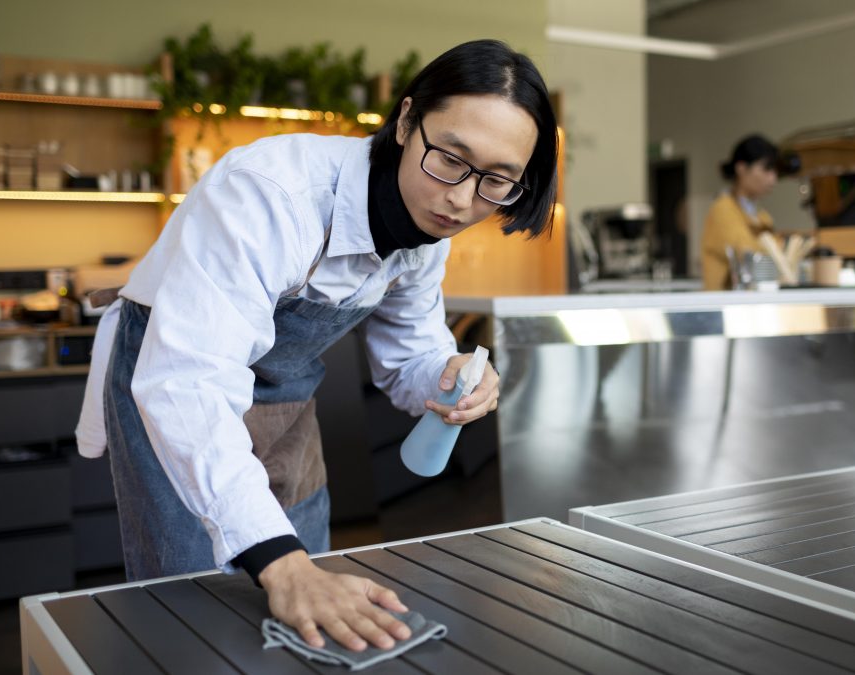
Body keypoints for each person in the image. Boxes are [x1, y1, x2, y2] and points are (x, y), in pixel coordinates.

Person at [74, 39, 558, 652]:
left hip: (288, 403)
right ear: (407, 121)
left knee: (301, 618)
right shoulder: (272, 195)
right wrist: (281, 563)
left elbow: (409, 360)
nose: (462, 199)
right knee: (191, 615)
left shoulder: (428, 233)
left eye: (497, 181)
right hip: (175, 394)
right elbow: (186, 381)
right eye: (450, 160)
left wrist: (450, 374)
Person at [700, 134, 779, 290]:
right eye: (766, 169)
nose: (773, 179)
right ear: (741, 168)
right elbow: (747, 253)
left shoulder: (762, 217)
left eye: (775, 171)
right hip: (724, 305)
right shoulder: (722, 209)